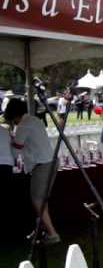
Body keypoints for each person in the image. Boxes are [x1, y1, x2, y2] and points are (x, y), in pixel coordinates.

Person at [4, 98, 60, 244]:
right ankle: (42, 229)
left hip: (42, 165)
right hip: (51, 161)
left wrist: (9, 140)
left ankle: (52, 234)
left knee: (37, 199)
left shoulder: (23, 125)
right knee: (43, 199)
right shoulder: (34, 120)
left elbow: (17, 149)